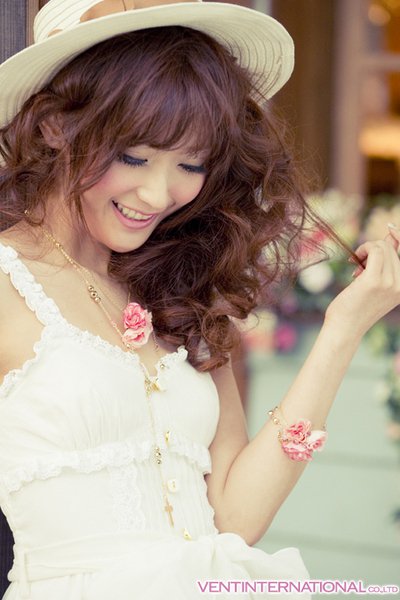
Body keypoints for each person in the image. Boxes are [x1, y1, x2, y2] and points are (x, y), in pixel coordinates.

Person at [0, 1, 399, 599]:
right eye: (134, 157)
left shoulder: (179, 289)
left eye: (191, 164)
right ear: (57, 125)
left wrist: (344, 327)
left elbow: (234, 518)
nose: (159, 193)